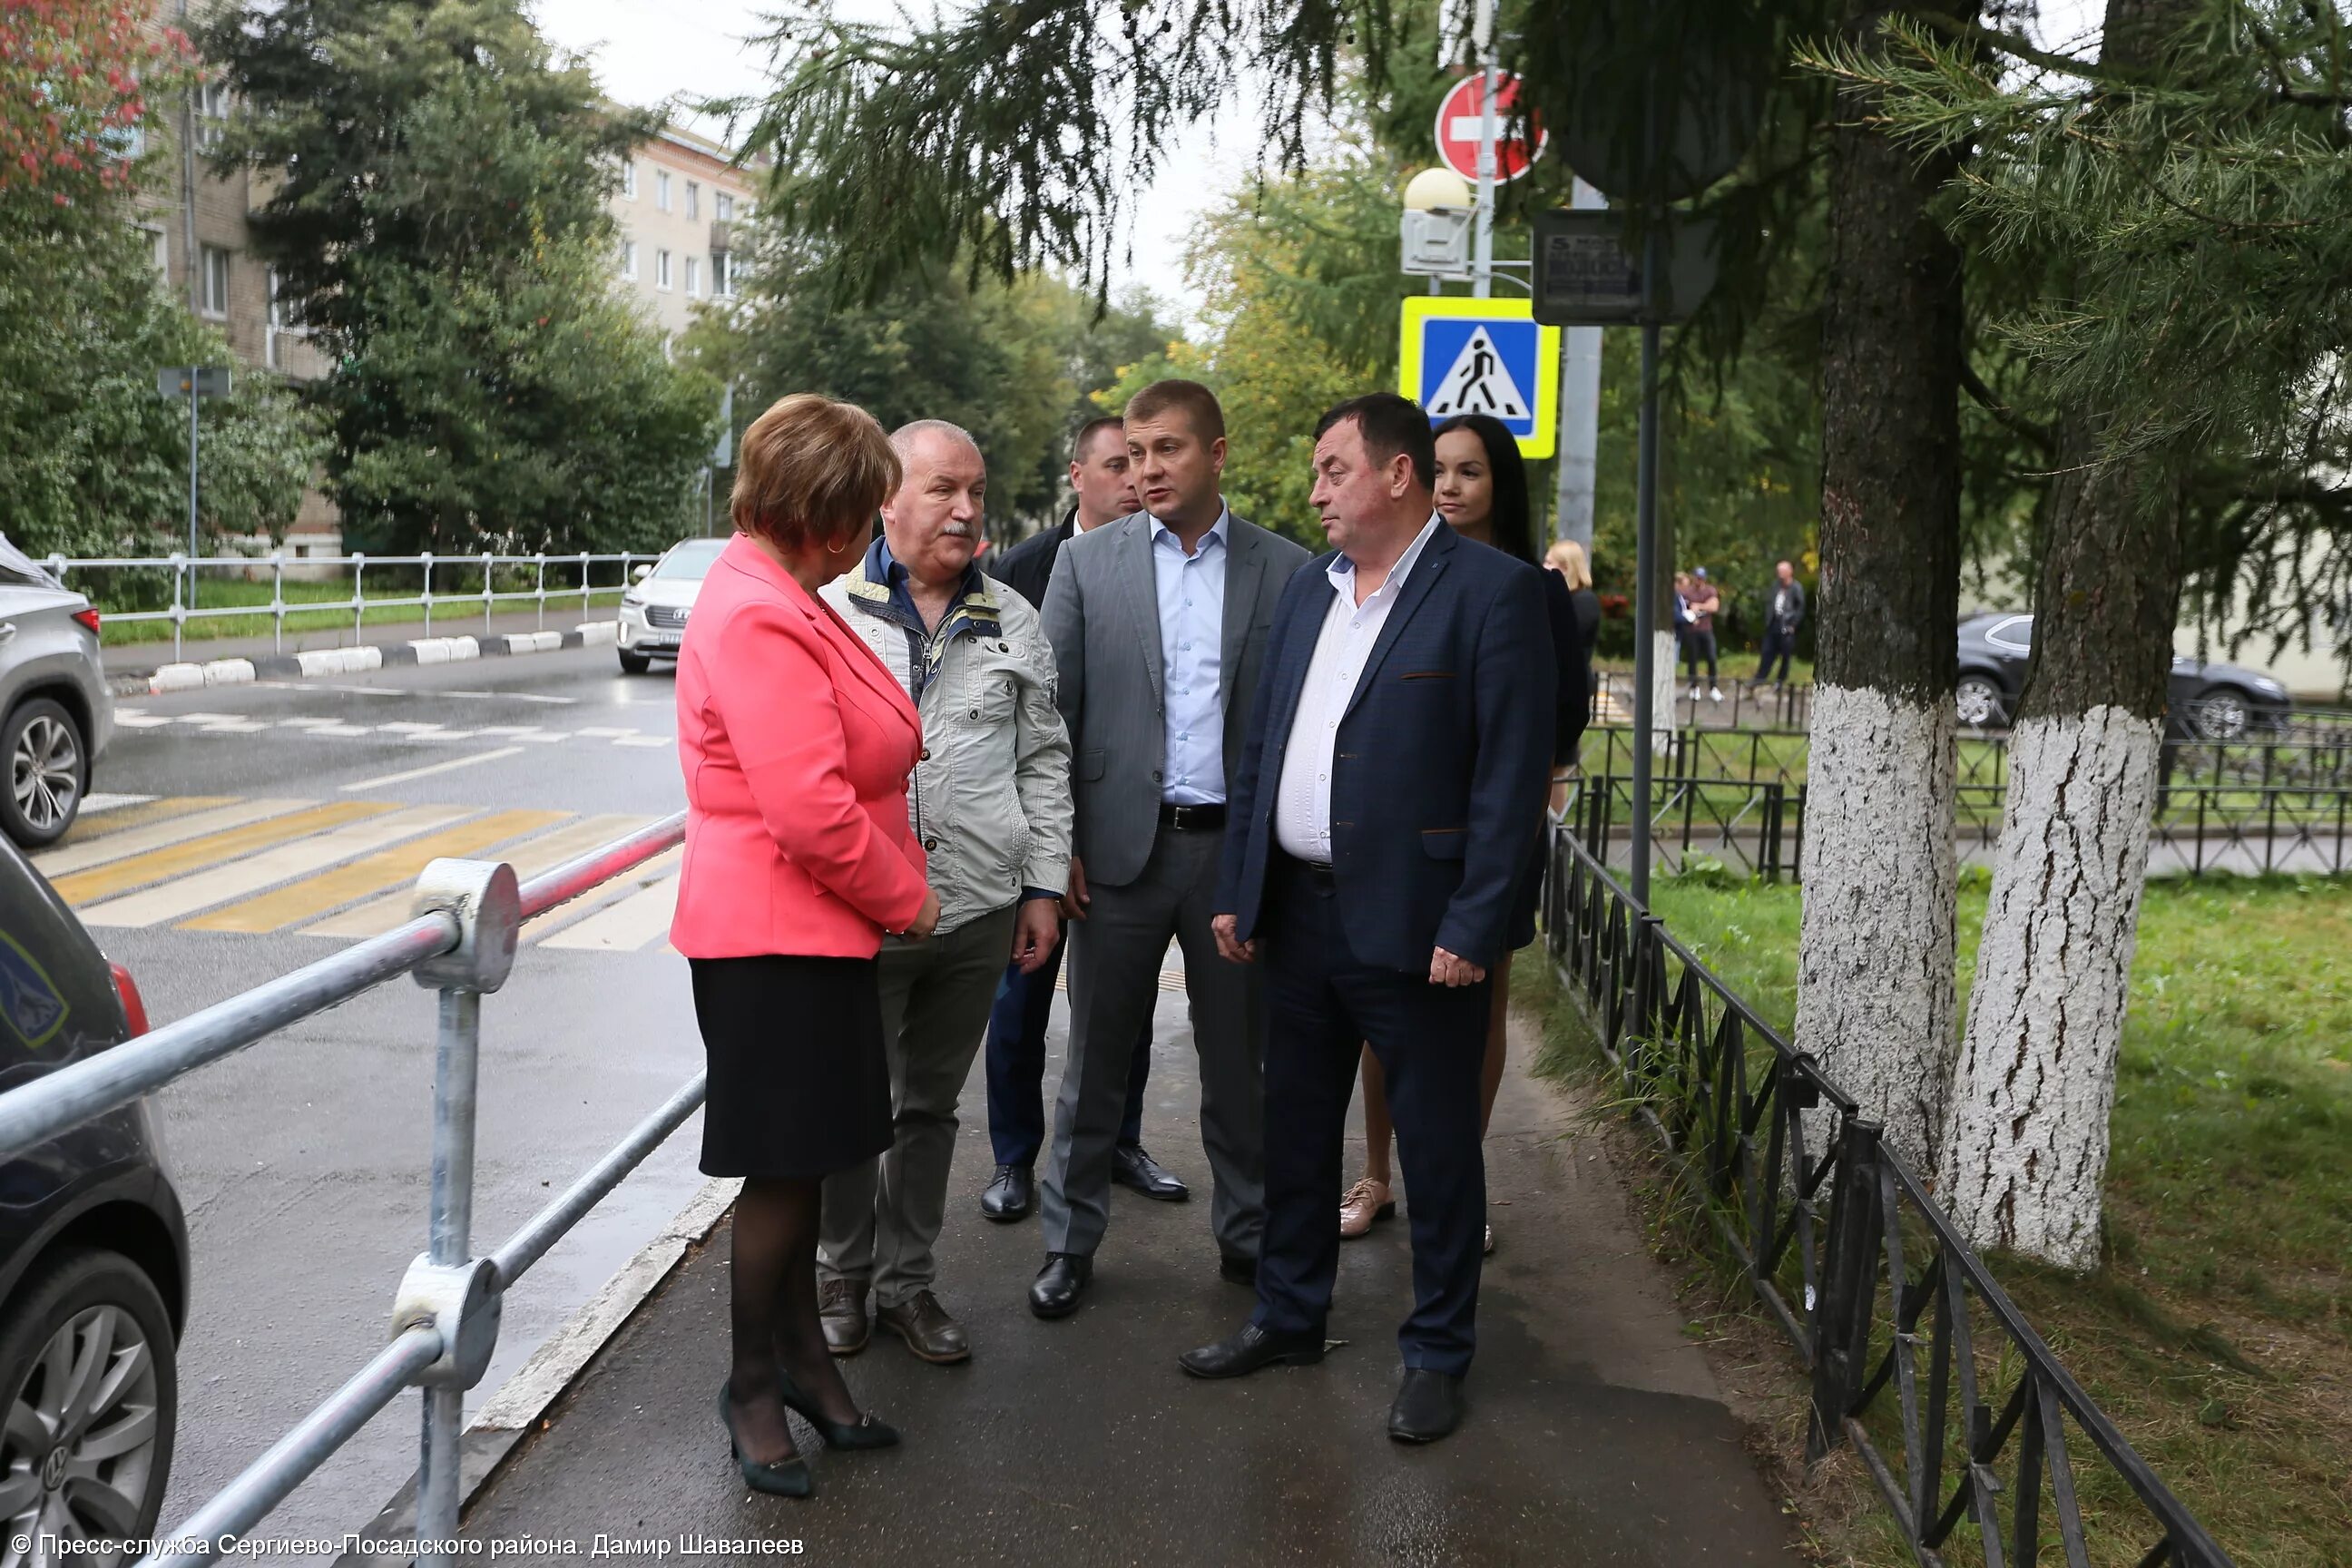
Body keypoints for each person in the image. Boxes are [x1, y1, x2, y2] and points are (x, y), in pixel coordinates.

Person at [1187, 392, 1553, 1445]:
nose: (1315, 492)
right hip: (1299, 919)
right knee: (1294, 1131)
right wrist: (1241, 886)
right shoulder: (1312, 591)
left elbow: (1509, 778)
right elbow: (1266, 748)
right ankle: (1290, 1316)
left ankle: (1438, 1352)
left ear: (1398, 476)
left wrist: (1475, 925)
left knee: (1436, 1151)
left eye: (1333, 470)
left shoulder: (1493, 593)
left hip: (1419, 926)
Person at [671, 392, 937, 1497]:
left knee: (810, 1158)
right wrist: (909, 900)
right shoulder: (757, 610)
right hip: (777, 935)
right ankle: (748, 1386)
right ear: (825, 517)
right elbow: (810, 811)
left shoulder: (784, 589)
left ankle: (804, 1365)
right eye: (866, 511)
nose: (875, 531)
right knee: (783, 1176)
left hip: (804, 933)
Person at [1028, 379, 1311, 1318]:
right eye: (1136, 452)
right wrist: (1054, 843)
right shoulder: (1087, 564)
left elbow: (1296, 725)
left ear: (1217, 454)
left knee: (1240, 1065)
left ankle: (1248, 1239)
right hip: (1114, 858)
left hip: (1232, 856)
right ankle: (1069, 1243)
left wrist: (1269, 868)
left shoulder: (1285, 569)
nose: (1147, 469)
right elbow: (1053, 718)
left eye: (1168, 451)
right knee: (1094, 1064)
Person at [813, 421, 1073, 1364]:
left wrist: (1043, 887)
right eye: (942, 491)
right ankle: (840, 1275)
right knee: (852, 1107)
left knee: (929, 1109)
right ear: (888, 498)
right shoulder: (831, 612)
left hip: (976, 911)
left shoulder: (1012, 617)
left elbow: (1043, 760)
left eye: (976, 491)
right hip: (862, 913)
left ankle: (907, 1284)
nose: (966, 510)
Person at [1335, 412, 1590, 1256]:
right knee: (1383, 1008)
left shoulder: (1531, 589)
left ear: (1499, 486)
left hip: (1490, 839)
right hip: (1399, 836)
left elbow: (1560, 719)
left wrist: (1533, 801)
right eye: (1439, 469)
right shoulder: (1383, 578)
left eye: (1470, 472)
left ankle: (1457, 1184)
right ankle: (1377, 1175)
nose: (1449, 486)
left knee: (1476, 1011)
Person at [976, 417, 1185, 1222]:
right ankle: (1013, 1160)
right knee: (1020, 998)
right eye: (1117, 463)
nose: (1134, 478)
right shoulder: (1021, 570)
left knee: (1122, 1008)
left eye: (1143, 462)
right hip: (1034, 828)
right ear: (1077, 475)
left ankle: (1120, 1142)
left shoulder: (1165, 562)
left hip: (1125, 833)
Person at [1548, 539, 1603, 795]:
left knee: (1558, 765)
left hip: (1569, 687)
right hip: (1551, 684)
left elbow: (1564, 638)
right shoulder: (1562, 598)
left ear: (1569, 568)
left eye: (1553, 563)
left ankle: (1555, 827)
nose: (1546, 567)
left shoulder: (1584, 601)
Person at [1753, 559, 1806, 687]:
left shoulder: (1796, 588)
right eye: (1779, 571)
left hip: (1787, 625)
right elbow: (1770, 603)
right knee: (1767, 651)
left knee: (1785, 655)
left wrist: (1793, 625)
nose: (1780, 574)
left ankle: (1780, 680)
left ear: (1790, 572)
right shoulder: (1775, 586)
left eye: (1782, 571)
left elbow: (1800, 608)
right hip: (1774, 623)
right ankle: (1760, 678)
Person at [1685, 567, 1721, 701]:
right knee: (1693, 660)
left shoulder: (1710, 590)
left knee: (1711, 658)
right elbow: (1685, 608)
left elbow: (1714, 606)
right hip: (1692, 630)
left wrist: (1699, 606)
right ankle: (1694, 687)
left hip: (1706, 629)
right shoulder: (1687, 592)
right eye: (1697, 577)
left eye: (1701, 577)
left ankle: (1713, 688)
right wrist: (1704, 605)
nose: (1698, 580)